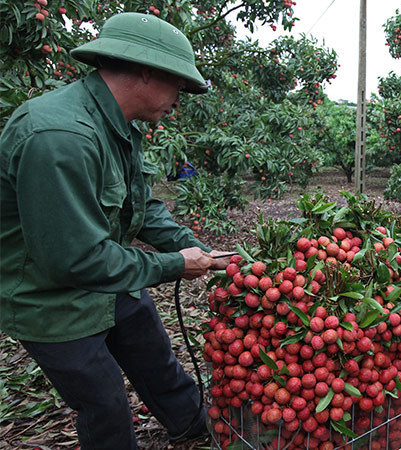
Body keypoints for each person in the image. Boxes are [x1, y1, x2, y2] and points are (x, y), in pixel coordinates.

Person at [0, 12, 231, 448]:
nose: (179, 100)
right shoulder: (60, 135)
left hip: (109, 282)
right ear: (146, 71)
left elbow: (143, 210)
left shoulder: (118, 127)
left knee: (155, 359)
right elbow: (75, 259)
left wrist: (204, 253)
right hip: (52, 300)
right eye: (178, 85)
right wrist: (173, 265)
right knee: (103, 403)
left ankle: (195, 429)